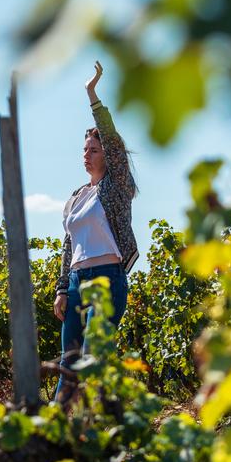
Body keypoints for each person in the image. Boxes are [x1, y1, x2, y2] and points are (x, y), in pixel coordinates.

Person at [53, 61, 139, 402]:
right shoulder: (77, 196)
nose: (87, 155)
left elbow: (115, 144)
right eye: (85, 150)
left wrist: (92, 95)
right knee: (69, 363)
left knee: (92, 358)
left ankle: (108, 427)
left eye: (94, 149)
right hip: (76, 282)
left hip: (107, 279)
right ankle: (52, 434)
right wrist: (62, 288)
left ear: (108, 155)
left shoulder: (116, 187)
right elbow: (68, 246)